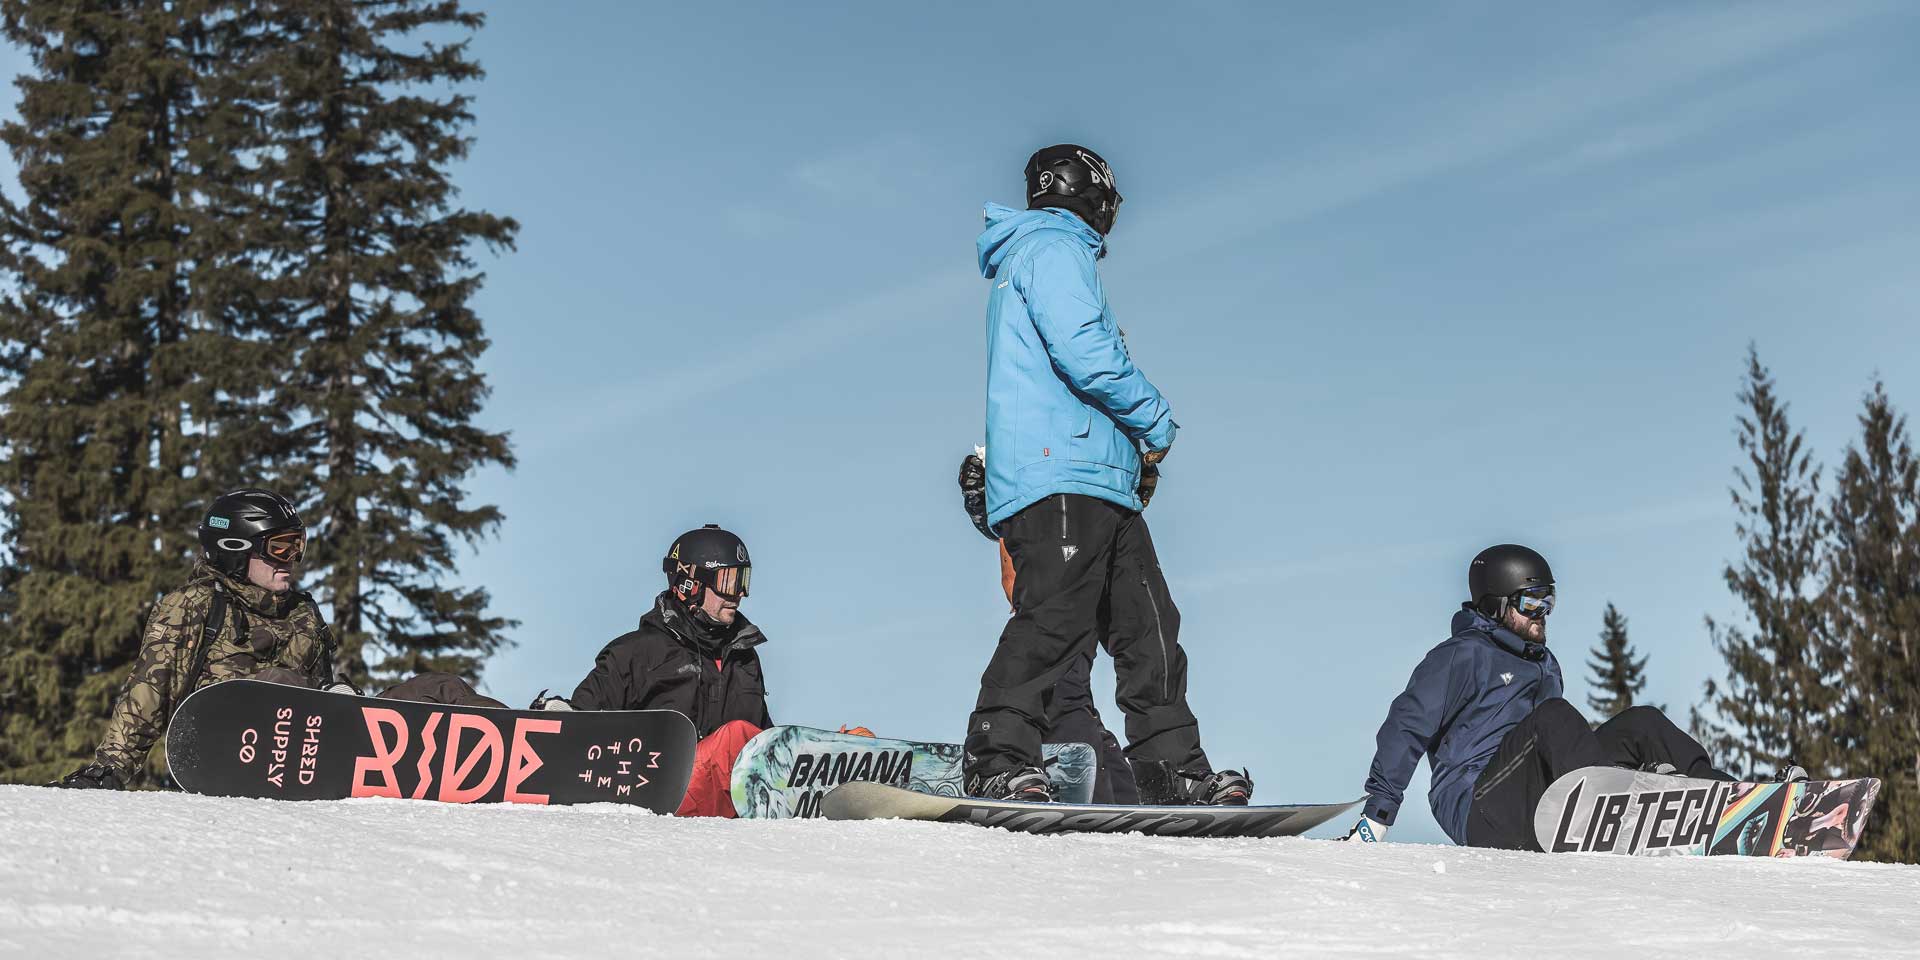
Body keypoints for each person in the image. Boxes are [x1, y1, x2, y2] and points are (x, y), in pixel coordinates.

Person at [962, 144, 1249, 806]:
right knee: (1056, 618)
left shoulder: (1047, 254)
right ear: (1090, 193)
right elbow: (1085, 355)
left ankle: (1174, 771)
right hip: (1059, 471)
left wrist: (1131, 460)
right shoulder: (1053, 248)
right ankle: (997, 755)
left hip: (1099, 479)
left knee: (1149, 626)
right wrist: (1156, 422)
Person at [53, 488, 500, 790]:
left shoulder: (302, 609)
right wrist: (110, 769)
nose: (292, 560)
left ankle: (535, 742)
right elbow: (151, 688)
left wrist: (346, 700)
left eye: (297, 548)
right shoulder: (196, 604)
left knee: (442, 687)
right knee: (280, 682)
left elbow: (328, 691)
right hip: (235, 748)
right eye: (280, 548)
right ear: (236, 549)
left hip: (313, 747)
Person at [1346, 544, 1776, 850]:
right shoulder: (1462, 656)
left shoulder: (1545, 664)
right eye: (1531, 603)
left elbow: (1562, 748)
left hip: (1547, 802)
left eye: (1548, 601)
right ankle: (1614, 814)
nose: (1543, 614)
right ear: (1497, 604)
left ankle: (1722, 798)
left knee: (1640, 722)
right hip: (1479, 806)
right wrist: (1378, 816)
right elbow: (1406, 723)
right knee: (1553, 717)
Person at [543, 524, 770, 817]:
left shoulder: (744, 659)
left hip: (731, 806)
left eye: (744, 580)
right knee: (734, 738)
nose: (739, 593)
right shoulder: (638, 653)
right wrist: (562, 716)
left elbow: (763, 740)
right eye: (728, 580)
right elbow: (585, 722)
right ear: (691, 584)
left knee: (748, 740)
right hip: (661, 793)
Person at [959, 449, 1137, 804]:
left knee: (1064, 701)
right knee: (1071, 707)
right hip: (1059, 628)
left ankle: (1115, 798)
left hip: (1065, 624)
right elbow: (1016, 587)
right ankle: (1125, 797)